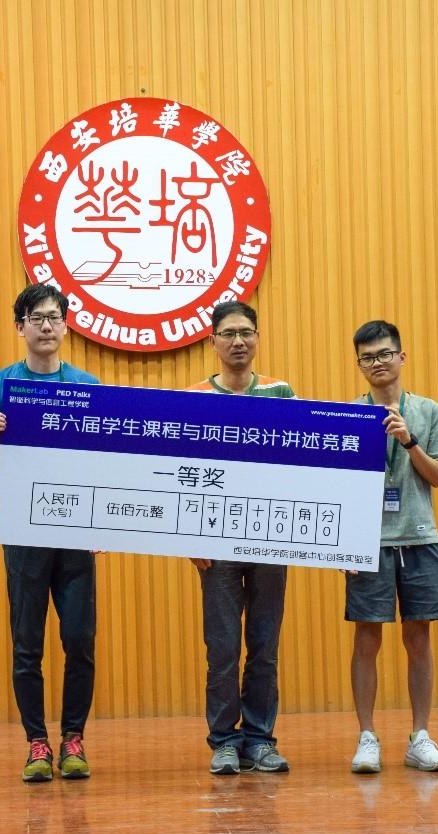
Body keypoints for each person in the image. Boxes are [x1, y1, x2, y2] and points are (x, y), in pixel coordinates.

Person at [0, 283, 100, 783]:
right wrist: (1, 438)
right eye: (36, 318)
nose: (46, 326)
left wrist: (99, 520)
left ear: (66, 327)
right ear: (20, 328)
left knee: (79, 639)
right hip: (24, 531)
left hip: (74, 531)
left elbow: (100, 460)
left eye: (54, 317)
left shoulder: (87, 385)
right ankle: (36, 742)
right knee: (27, 644)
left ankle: (73, 739)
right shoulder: (1, 385)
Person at [186, 301, 295, 775]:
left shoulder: (281, 392)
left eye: (246, 332)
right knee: (224, 649)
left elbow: (302, 464)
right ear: (212, 341)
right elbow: (180, 471)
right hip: (216, 544)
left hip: (271, 537)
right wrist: (189, 537)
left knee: (264, 647)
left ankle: (260, 739)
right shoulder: (192, 397)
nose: (238, 341)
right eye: (228, 333)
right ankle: (224, 741)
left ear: (257, 337)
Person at [345, 320, 438, 774]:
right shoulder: (349, 415)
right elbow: (338, 488)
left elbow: (437, 476)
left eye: (384, 354)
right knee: (367, 637)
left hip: (419, 536)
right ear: (359, 365)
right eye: (367, 358)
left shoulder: (429, 412)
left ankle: (420, 736)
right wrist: (344, 547)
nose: (377, 363)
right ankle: (367, 737)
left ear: (401, 357)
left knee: (418, 637)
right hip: (367, 543)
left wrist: (407, 440)